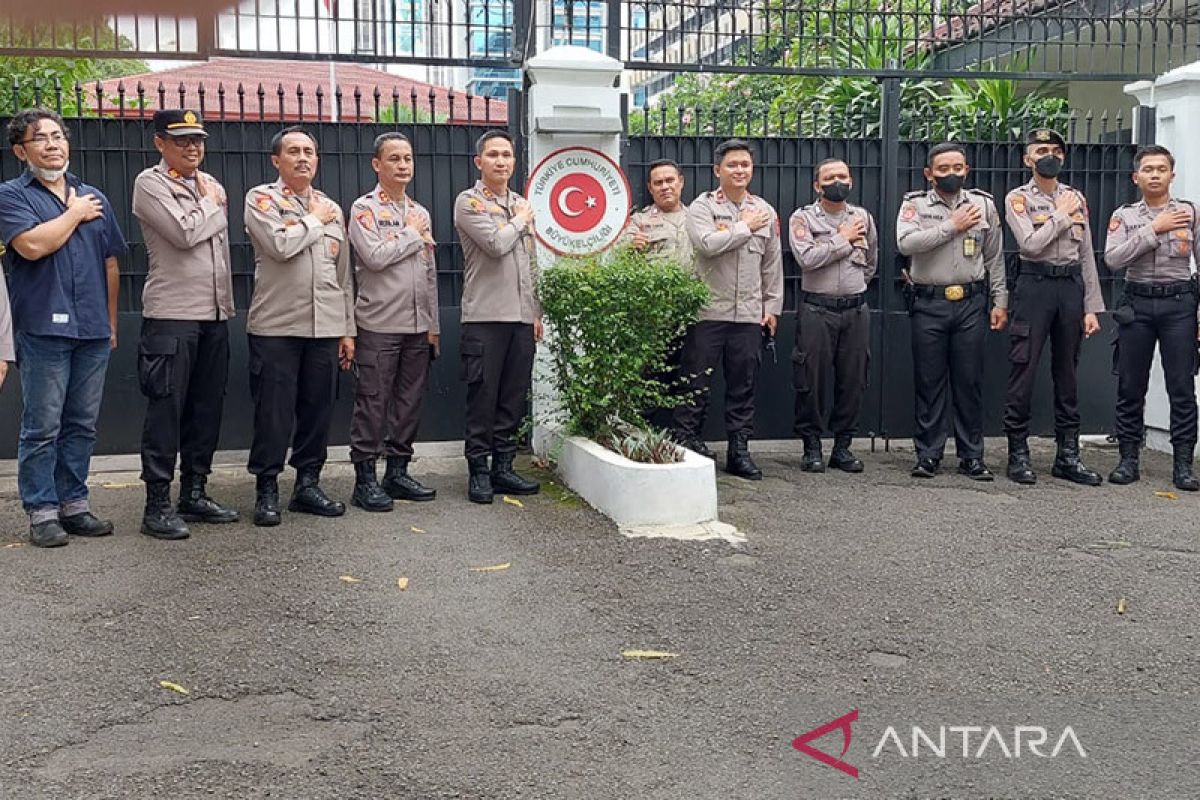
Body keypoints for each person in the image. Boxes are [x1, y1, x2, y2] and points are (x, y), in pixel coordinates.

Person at [0, 108, 125, 548]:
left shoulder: (94, 196)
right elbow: (32, 246)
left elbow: (110, 262)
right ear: (21, 150)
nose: (53, 145)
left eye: (58, 136)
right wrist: (73, 214)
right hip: (42, 327)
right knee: (42, 424)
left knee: (82, 424)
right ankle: (42, 511)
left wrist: (110, 322)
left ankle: (74, 504)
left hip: (91, 328)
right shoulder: (11, 196)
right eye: (41, 139)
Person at [131, 109, 239, 540]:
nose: (193, 147)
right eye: (182, 140)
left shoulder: (207, 183)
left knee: (205, 407)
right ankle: (156, 503)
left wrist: (207, 205)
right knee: (166, 410)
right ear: (161, 144)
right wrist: (211, 205)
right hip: (172, 314)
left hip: (214, 312)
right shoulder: (151, 183)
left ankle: (194, 493)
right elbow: (184, 233)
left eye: (198, 140)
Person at [244, 126, 356, 526]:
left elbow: (342, 274)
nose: (303, 158)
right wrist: (312, 219)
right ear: (277, 160)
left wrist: (347, 329)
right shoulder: (261, 199)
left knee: (317, 410)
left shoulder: (330, 207)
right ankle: (267, 487)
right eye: (294, 151)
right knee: (273, 413)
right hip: (277, 325)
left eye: (310, 151)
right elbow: (280, 245)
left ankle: (307, 483)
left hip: (324, 326)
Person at [897, 143, 1007, 480]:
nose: (951, 174)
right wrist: (952, 226)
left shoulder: (983, 204)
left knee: (969, 382)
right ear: (929, 174)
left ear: (966, 170)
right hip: (929, 302)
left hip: (972, 303)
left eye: (957, 167)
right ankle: (928, 455)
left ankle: (971, 456)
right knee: (929, 383)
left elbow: (994, 257)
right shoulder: (914, 204)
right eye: (943, 169)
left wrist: (1000, 300)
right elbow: (906, 243)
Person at [1002, 128, 1105, 486]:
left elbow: (1087, 254)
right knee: (1023, 369)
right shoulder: (1018, 198)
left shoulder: (1076, 196)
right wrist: (1060, 215)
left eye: (1056, 150)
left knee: (1068, 374)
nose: (1050, 155)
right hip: (1035, 287)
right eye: (1041, 149)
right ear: (1027, 159)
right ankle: (1018, 454)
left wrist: (1091, 306)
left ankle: (1068, 456)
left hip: (1070, 289)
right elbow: (1029, 245)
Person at [677, 138, 784, 479]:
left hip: (749, 315)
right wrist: (744, 227)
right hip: (708, 312)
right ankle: (685, 444)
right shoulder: (702, 207)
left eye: (745, 165)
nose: (740, 170)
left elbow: (772, 263)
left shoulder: (764, 210)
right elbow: (707, 245)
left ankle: (739, 451)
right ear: (717, 170)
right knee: (695, 383)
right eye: (732, 165)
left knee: (743, 386)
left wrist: (772, 306)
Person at [346, 132, 439, 511]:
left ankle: (397, 472)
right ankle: (364, 479)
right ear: (377, 165)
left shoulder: (420, 212)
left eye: (408, 159)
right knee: (373, 401)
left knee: (408, 401)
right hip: (379, 322)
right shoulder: (363, 209)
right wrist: (410, 235)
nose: (403, 166)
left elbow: (429, 272)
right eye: (395, 159)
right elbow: (374, 257)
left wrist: (433, 324)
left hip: (417, 324)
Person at [1103, 144, 1200, 490]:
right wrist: (1153, 229)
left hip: (1179, 304)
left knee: (1181, 386)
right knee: (1131, 385)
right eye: (1148, 169)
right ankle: (1128, 459)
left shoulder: (1190, 212)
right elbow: (1113, 259)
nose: (1155, 174)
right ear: (1136, 177)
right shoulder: (1125, 216)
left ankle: (1184, 465)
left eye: (1161, 169)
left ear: (1172, 175)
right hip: (1138, 305)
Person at [453, 130, 542, 504]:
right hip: (486, 317)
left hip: (521, 318)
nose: (501, 161)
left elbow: (531, 262)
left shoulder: (520, 203)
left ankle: (504, 468)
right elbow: (495, 245)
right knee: (483, 397)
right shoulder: (469, 202)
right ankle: (478, 471)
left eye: (507, 155)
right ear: (479, 161)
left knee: (512, 397)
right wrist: (520, 221)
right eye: (493, 155)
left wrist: (536, 312)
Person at [789, 158, 877, 473]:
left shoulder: (862, 216)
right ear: (817, 185)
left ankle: (843, 446)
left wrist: (853, 280)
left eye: (842, 176)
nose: (836, 181)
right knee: (811, 380)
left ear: (851, 181)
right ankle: (812, 446)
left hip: (854, 308)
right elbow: (807, 258)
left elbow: (871, 262)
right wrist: (843, 239)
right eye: (830, 177)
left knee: (853, 379)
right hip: (817, 308)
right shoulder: (802, 218)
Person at [621, 159, 694, 268]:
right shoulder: (638, 222)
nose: (665, 187)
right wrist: (631, 246)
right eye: (658, 183)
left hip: (694, 284)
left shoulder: (698, 218)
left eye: (670, 180)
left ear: (681, 182)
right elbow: (618, 257)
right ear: (650, 188)